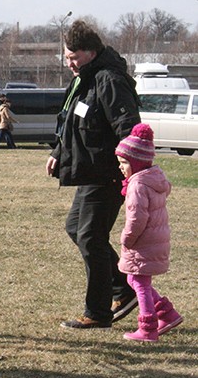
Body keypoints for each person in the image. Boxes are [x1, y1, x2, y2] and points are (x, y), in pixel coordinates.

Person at [46, 19, 141, 330]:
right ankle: (124, 288)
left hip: (106, 173)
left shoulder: (110, 80)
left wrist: (129, 168)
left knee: (90, 237)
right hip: (88, 172)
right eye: (67, 56)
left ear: (91, 52)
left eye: (74, 57)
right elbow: (73, 121)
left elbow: (129, 129)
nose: (70, 63)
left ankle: (98, 312)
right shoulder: (85, 79)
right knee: (76, 228)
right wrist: (58, 153)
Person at [115, 124, 183, 342]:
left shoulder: (137, 185)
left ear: (136, 163)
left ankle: (148, 328)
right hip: (155, 240)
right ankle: (167, 313)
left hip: (142, 243)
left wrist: (127, 238)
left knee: (138, 282)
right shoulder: (154, 179)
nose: (120, 167)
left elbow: (137, 219)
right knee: (137, 280)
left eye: (124, 162)